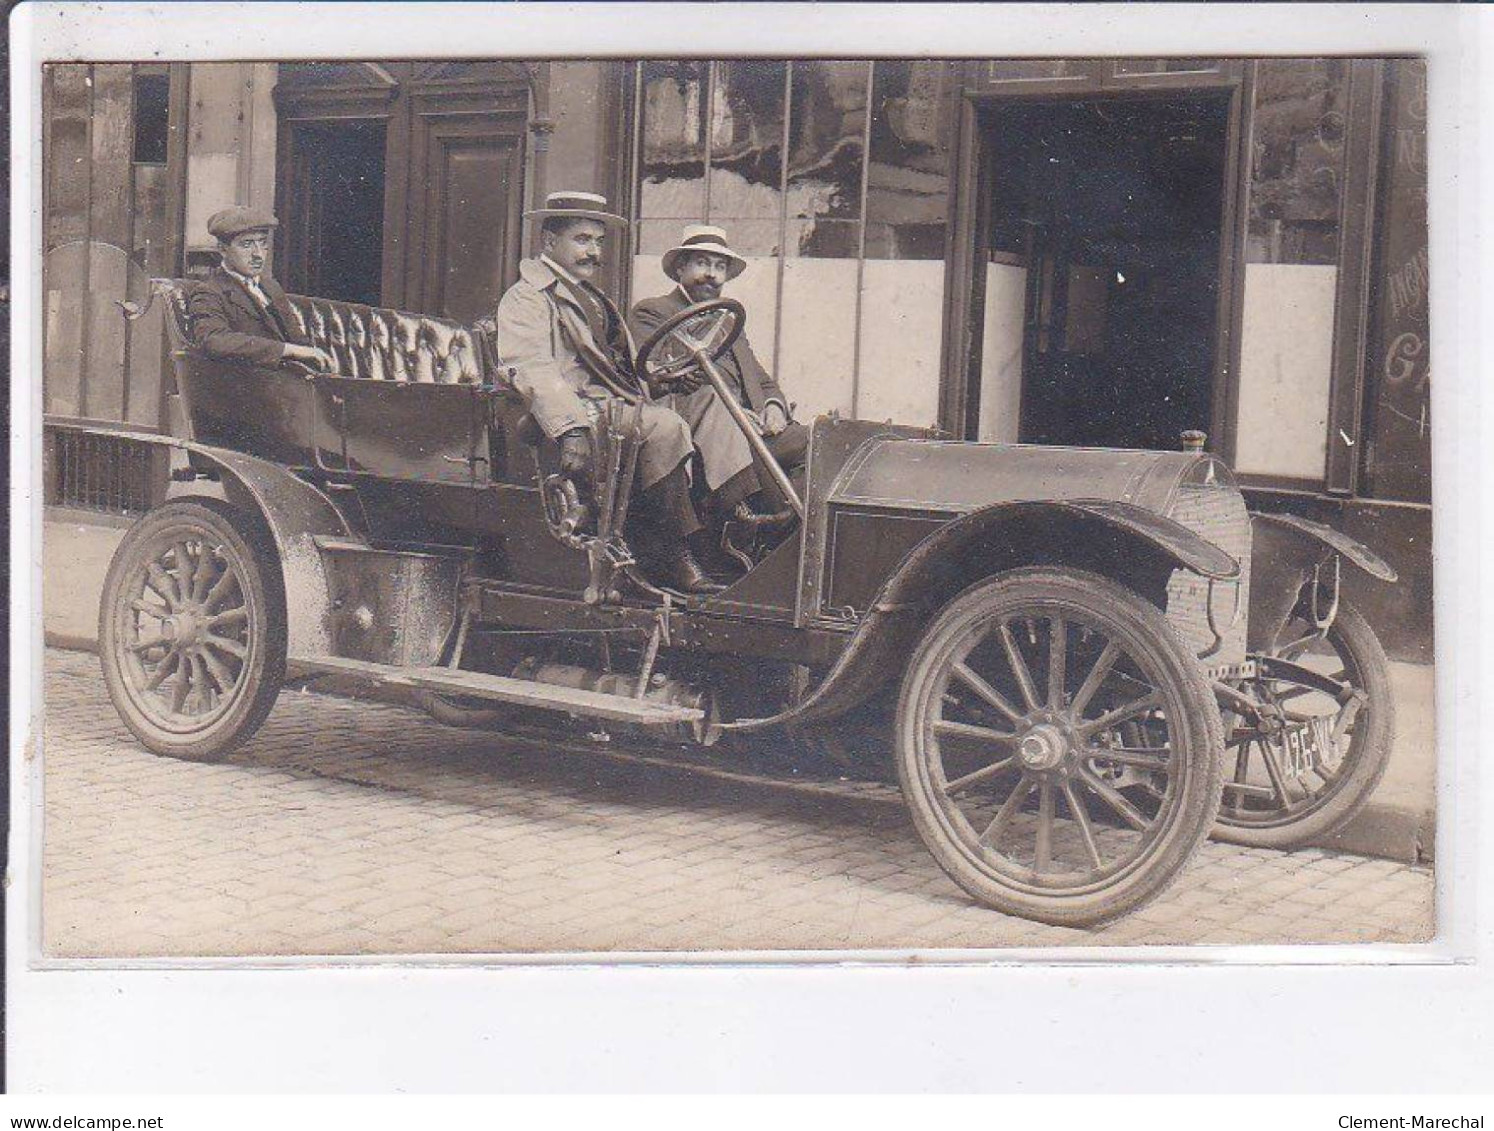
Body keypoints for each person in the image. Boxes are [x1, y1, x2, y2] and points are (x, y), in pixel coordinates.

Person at [492, 192, 763, 596]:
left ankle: (737, 522)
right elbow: (532, 367)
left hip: (615, 402)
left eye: (598, 242)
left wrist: (663, 382)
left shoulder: (592, 296)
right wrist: (570, 430)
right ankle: (671, 553)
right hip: (583, 409)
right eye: (582, 240)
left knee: (706, 400)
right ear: (549, 242)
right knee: (666, 426)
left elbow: (623, 368)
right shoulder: (528, 297)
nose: (594, 251)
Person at [629, 225, 809, 484]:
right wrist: (732, 414)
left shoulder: (728, 322)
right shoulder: (654, 312)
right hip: (704, 438)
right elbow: (651, 380)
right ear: (681, 268)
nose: (711, 274)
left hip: (756, 431)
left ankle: (790, 523)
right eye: (702, 263)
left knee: (819, 443)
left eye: (720, 267)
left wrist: (773, 407)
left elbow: (762, 381)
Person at [186, 206, 334, 374]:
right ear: (222, 249)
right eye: (247, 244)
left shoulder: (271, 287)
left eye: (263, 243)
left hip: (285, 382)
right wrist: (286, 349)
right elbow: (214, 340)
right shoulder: (210, 292)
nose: (258, 254)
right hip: (247, 386)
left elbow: (298, 339)